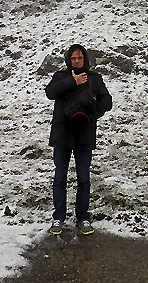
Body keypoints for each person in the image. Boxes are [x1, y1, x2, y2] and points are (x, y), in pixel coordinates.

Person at [45, 43, 112, 235]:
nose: (76, 61)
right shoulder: (61, 77)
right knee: (60, 178)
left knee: (83, 179)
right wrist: (73, 82)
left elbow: (107, 101)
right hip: (62, 135)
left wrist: (92, 115)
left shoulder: (95, 79)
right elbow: (50, 93)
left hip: (84, 134)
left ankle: (83, 217)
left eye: (79, 58)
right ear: (69, 60)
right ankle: (58, 217)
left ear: (85, 59)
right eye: (73, 58)